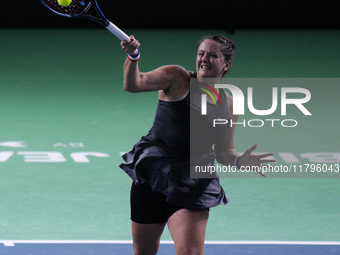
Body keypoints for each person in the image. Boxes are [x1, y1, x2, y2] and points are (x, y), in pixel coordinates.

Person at [119, 34, 275, 255]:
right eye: (201, 53)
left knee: (190, 252)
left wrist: (239, 160)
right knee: (143, 251)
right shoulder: (177, 78)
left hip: (192, 181)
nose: (204, 59)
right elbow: (134, 84)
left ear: (226, 64)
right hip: (153, 172)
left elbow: (223, 151)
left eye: (213, 55)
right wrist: (133, 56)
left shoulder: (229, 104)